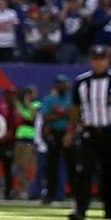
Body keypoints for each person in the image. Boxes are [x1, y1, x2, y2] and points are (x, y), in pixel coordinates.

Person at [70, 43, 111, 220]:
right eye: (96, 59)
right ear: (91, 60)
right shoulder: (82, 82)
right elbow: (75, 109)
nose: (99, 63)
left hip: (110, 130)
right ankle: (80, 212)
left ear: (108, 60)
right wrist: (79, 126)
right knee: (84, 173)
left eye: (103, 59)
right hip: (90, 132)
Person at [38, 74, 75, 204]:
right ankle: (50, 194)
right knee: (51, 165)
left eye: (63, 83)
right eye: (58, 83)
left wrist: (58, 112)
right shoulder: (49, 99)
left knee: (72, 165)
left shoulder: (72, 98)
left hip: (68, 133)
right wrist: (64, 113)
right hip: (54, 132)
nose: (60, 86)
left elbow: (74, 116)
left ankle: (75, 193)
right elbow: (46, 117)